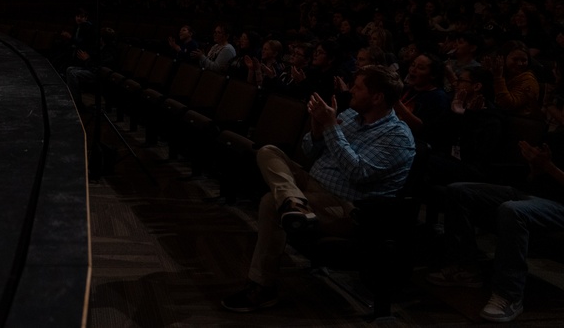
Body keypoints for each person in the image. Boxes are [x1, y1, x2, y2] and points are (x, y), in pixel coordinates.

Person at [221, 65, 415, 312]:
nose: (351, 91)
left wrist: (332, 127)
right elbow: (310, 151)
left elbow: (358, 173)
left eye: (358, 87)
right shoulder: (353, 118)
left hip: (346, 209)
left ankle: (262, 287)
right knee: (268, 151)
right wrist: (316, 128)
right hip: (313, 187)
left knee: (271, 202)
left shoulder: (397, 136)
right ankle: (294, 202)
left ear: (377, 97)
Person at [428, 141, 564, 323]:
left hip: (558, 206)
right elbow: (534, 179)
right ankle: (466, 267)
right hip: (532, 194)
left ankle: (509, 295)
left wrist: (549, 167)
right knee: (458, 190)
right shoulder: (557, 137)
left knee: (512, 210)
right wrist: (536, 167)